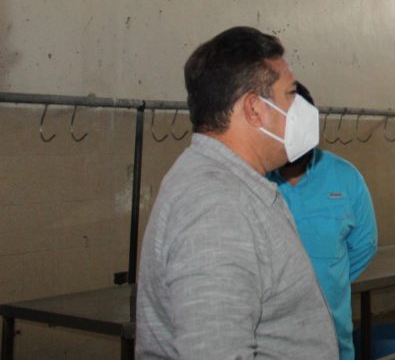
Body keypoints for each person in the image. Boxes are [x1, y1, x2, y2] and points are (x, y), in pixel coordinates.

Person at [136, 26, 337, 359]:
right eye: (290, 94)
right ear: (255, 109)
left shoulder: (235, 184)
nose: (301, 108)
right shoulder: (215, 208)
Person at [268, 82, 378, 360]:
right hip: (267, 342)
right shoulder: (252, 180)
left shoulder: (346, 177)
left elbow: (364, 245)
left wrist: (329, 281)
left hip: (332, 340)